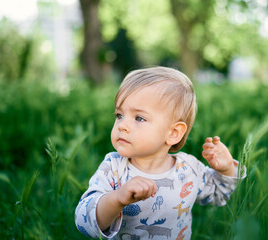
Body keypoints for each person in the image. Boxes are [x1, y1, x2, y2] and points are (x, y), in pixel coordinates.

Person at [75, 66, 246, 239]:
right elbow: (84, 221)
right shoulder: (113, 168)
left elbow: (218, 194)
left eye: (139, 118)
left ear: (173, 133)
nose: (122, 125)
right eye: (119, 115)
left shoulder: (188, 169)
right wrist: (117, 199)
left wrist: (226, 170)